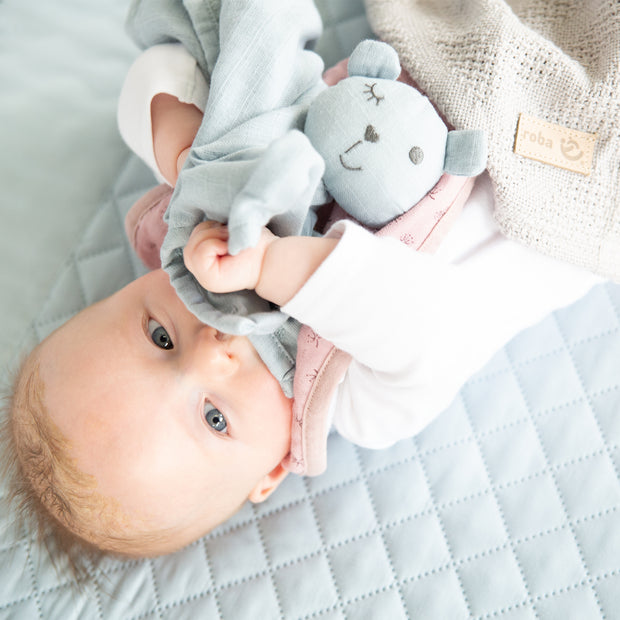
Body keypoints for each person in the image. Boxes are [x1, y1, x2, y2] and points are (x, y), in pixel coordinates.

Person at [2, 37, 601, 566]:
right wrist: (273, 267)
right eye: (215, 418)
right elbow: (425, 325)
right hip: (578, 177)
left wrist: (193, 158)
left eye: (161, 337)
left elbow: (156, 77)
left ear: (135, 285)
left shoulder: (209, 208)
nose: (215, 351)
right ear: (270, 472)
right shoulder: (354, 400)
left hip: (460, 47)